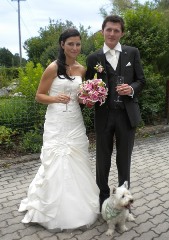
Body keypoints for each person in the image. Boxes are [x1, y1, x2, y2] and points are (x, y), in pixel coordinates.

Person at [19, 28, 99, 231]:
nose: (74, 47)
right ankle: (53, 210)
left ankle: (79, 207)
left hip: (74, 120)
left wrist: (88, 99)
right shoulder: (53, 68)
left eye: (78, 44)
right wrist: (55, 98)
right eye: (70, 43)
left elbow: (80, 97)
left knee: (76, 158)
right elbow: (39, 95)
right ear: (62, 44)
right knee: (57, 161)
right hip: (56, 121)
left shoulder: (81, 69)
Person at [85, 15, 146, 210]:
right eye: (108, 29)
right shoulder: (93, 58)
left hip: (126, 115)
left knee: (124, 159)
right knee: (102, 160)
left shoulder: (132, 53)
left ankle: (124, 201)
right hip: (103, 115)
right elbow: (87, 86)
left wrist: (132, 88)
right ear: (102, 31)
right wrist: (89, 96)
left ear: (122, 33)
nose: (112, 33)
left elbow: (141, 80)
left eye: (116, 30)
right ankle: (104, 200)